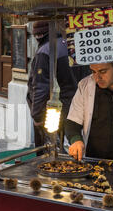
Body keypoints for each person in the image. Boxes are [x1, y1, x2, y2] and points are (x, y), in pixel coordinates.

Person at [26, 20, 78, 155]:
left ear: (38, 35)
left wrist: (37, 116)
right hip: (75, 105)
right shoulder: (69, 45)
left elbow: (40, 86)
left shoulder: (45, 50)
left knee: (50, 154)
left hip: (55, 110)